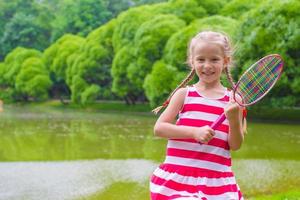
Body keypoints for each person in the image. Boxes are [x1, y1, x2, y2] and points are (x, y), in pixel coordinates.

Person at [150, 30, 247, 200]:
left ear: (226, 61)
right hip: (179, 178)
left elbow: (235, 145)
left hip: (216, 181)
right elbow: (159, 129)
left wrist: (233, 120)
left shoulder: (233, 100)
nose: (207, 65)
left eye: (214, 59)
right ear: (192, 62)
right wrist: (194, 132)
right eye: (201, 59)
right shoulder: (184, 95)